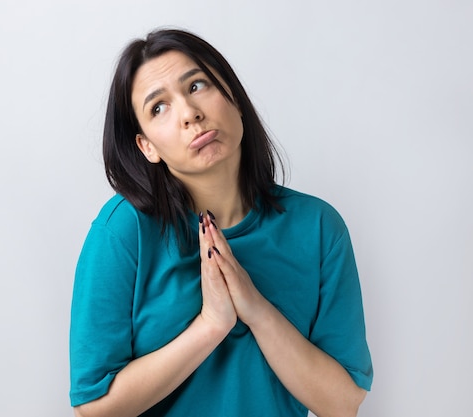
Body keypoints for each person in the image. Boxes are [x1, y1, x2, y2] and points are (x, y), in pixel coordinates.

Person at [69, 28, 373, 417]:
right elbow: (93, 406)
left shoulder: (318, 228)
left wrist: (256, 309)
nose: (189, 114)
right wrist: (211, 324)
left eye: (196, 86)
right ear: (147, 147)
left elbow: (343, 402)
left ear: (234, 97)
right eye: (158, 108)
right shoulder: (123, 232)